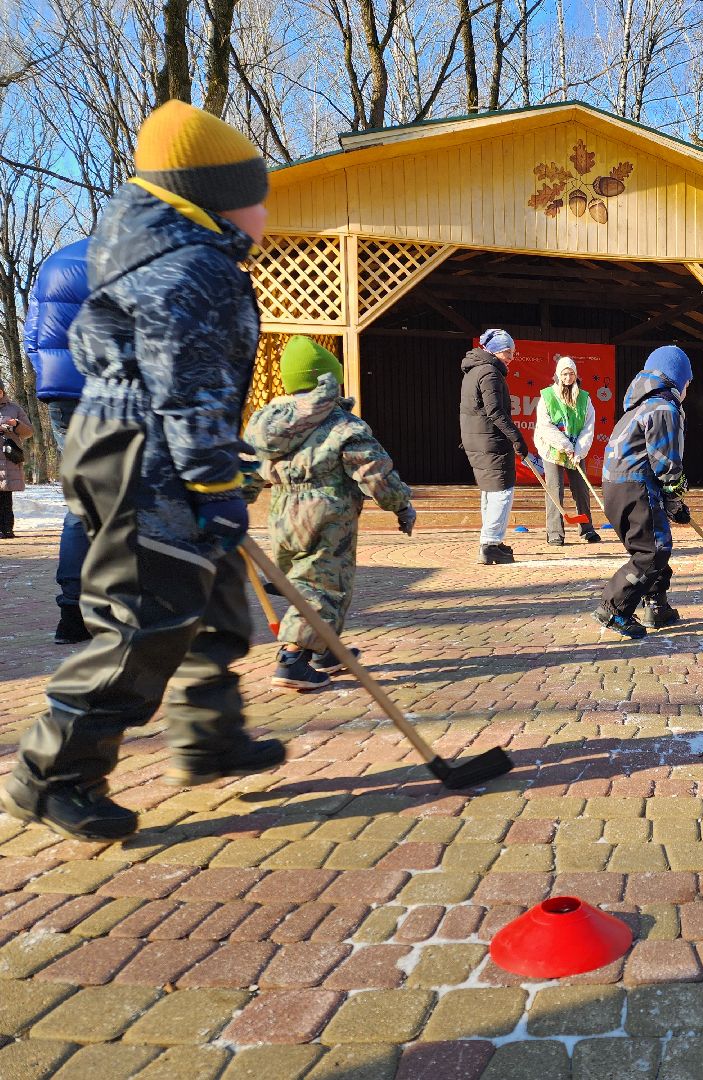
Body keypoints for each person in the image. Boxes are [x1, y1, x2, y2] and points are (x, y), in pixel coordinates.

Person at [0, 100, 284, 843]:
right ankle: (52, 773)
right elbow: (190, 381)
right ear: (217, 199)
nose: (264, 213)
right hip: (148, 460)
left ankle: (208, 738)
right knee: (145, 618)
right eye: (258, 197)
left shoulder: (147, 255)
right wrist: (215, 484)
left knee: (213, 588)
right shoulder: (194, 266)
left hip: (123, 442)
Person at [245, 336, 417, 692]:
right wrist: (400, 505)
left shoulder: (268, 423)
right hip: (326, 514)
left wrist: (234, 501)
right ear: (329, 379)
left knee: (303, 579)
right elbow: (374, 471)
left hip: (280, 513)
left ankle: (324, 649)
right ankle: (293, 660)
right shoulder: (341, 424)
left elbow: (246, 465)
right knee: (322, 586)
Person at [593, 345, 692, 638]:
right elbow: (665, 459)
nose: (688, 388)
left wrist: (671, 503)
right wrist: (674, 497)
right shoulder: (663, 408)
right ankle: (614, 609)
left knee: (651, 547)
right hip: (635, 486)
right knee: (653, 551)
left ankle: (656, 606)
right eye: (687, 382)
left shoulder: (639, 406)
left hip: (618, 487)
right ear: (676, 379)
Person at [22, 238, 92, 642]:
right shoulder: (132, 256)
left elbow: (32, 337)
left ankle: (72, 613)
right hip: (116, 393)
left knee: (81, 501)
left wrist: (52, 378)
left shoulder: (55, 262)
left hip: (62, 394)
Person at [460, 328, 538, 565]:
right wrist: (517, 438)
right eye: (507, 352)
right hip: (490, 440)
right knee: (501, 492)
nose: (511, 357)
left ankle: (491, 541)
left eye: (513, 352)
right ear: (494, 352)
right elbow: (495, 411)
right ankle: (490, 543)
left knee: (490, 491)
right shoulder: (489, 373)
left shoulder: (475, 370)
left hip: (479, 439)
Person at [533, 354, 600, 545]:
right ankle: (555, 533)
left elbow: (588, 427)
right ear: (558, 375)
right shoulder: (547, 396)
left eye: (571, 374)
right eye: (564, 374)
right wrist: (565, 446)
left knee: (581, 489)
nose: (568, 378)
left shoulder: (584, 398)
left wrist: (578, 451)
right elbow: (545, 426)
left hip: (576, 451)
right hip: (553, 448)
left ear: (576, 375)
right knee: (555, 490)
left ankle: (587, 529)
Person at [0, 382, 33, 540]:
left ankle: (7, 529)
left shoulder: (14, 408)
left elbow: (28, 431)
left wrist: (15, 425)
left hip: (8, 455)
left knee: (6, 495)